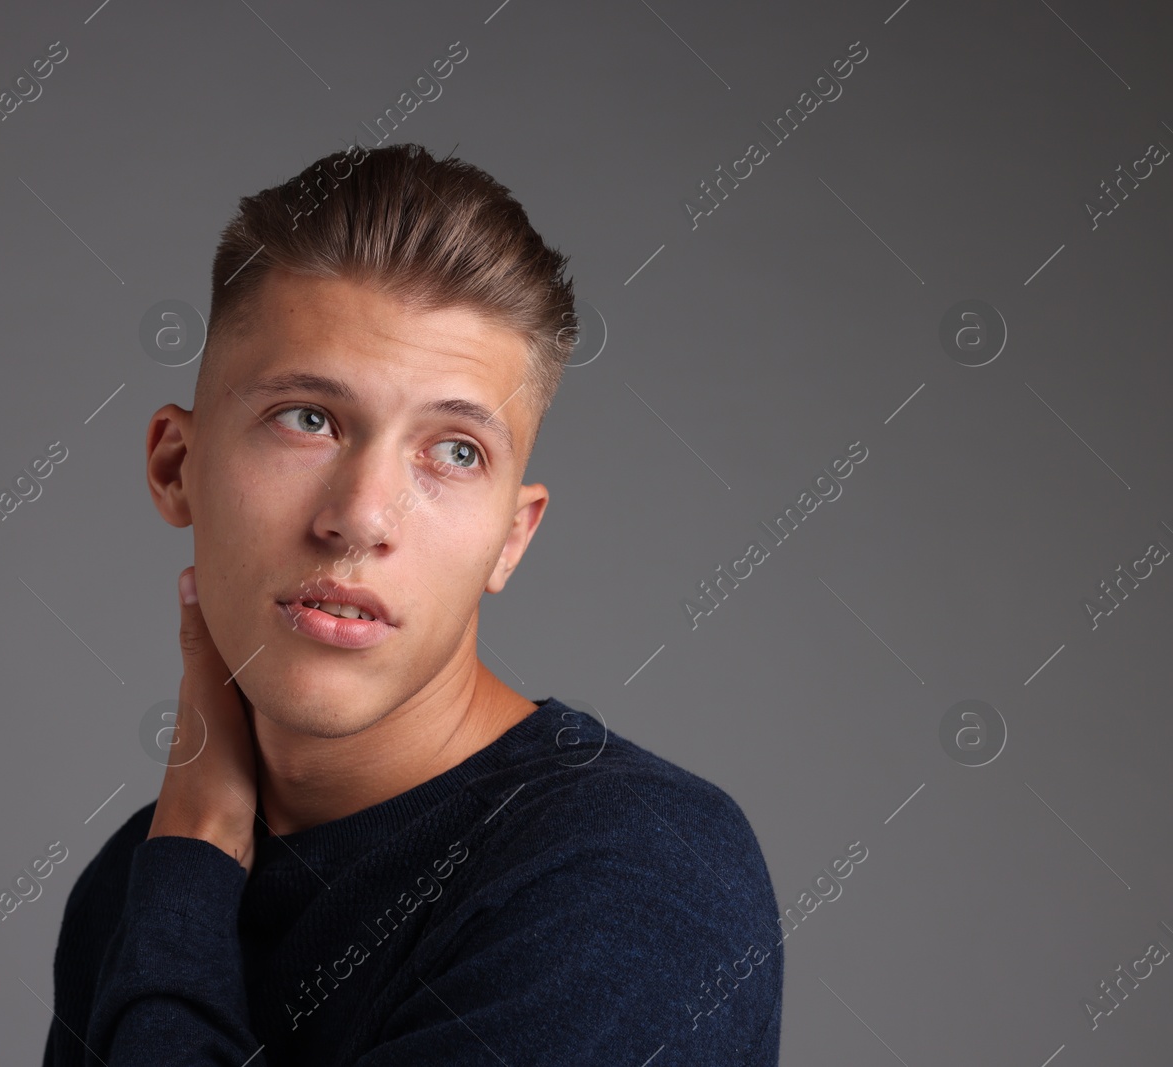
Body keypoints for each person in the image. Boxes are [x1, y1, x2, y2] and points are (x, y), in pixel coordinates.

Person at [41, 142, 782, 1065]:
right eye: (308, 418)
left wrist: (190, 863)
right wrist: (179, 875)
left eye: (455, 450)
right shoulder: (131, 889)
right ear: (174, 466)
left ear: (512, 537)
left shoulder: (634, 873)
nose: (361, 517)